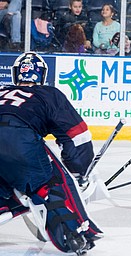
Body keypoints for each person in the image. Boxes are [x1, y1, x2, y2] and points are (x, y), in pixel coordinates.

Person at [0, 52, 102, 254]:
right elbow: (76, 135)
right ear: (42, 76)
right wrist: (79, 171)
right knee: (54, 180)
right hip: (19, 138)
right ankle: (75, 232)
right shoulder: (48, 93)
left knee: (8, 183)